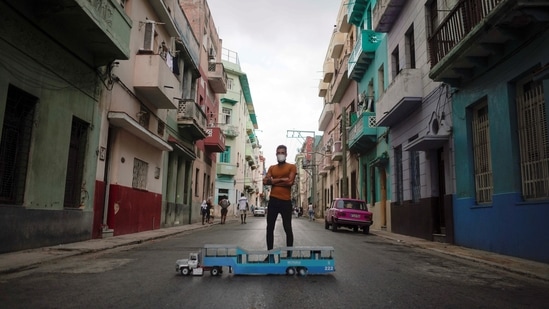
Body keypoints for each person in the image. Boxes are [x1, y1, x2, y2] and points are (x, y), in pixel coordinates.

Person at [263, 145, 297, 251]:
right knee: (269, 228)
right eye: (278, 153)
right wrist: (282, 179)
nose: (280, 155)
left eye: (282, 153)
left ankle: (289, 255)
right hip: (273, 200)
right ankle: (270, 254)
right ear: (276, 154)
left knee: (287, 227)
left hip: (286, 201)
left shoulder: (292, 167)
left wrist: (274, 181)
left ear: (286, 154)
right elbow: (265, 181)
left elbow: (290, 182)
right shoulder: (272, 168)